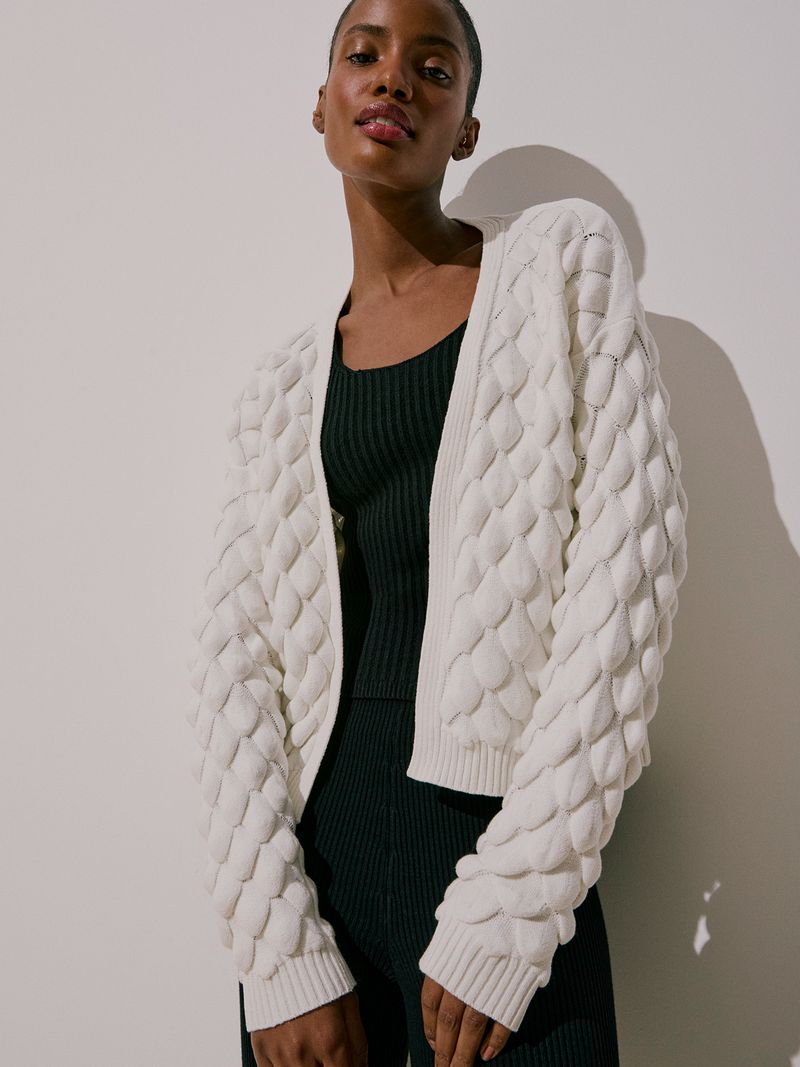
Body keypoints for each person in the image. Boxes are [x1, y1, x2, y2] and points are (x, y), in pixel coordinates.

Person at [186, 0, 689, 1064]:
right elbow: (233, 669)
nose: (392, 80)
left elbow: (626, 586)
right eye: (362, 55)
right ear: (321, 106)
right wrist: (276, 952)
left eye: (434, 67)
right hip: (316, 879)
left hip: (505, 854)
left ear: (465, 128)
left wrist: (511, 908)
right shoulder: (278, 389)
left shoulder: (562, 263)